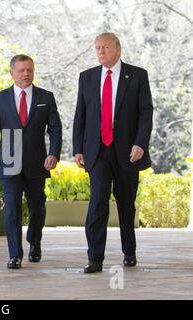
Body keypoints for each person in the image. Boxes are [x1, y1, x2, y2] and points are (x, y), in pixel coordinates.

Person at [73, 32, 153, 273]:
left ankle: (129, 251)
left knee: (126, 205)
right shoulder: (86, 77)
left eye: (105, 47)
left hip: (128, 151)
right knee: (97, 203)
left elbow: (145, 113)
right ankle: (95, 258)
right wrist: (78, 148)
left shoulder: (137, 76)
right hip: (97, 152)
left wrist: (140, 144)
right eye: (97, 48)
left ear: (118, 49)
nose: (100, 52)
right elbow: (81, 115)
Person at [0, 54, 62, 269]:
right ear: (12, 73)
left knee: (38, 207)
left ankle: (34, 242)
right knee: (12, 209)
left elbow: (55, 128)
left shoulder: (46, 97)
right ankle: (14, 255)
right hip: (8, 163)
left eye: (29, 69)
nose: (26, 74)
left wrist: (54, 153)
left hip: (37, 163)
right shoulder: (0, 98)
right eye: (21, 70)